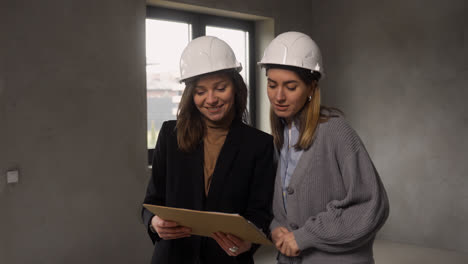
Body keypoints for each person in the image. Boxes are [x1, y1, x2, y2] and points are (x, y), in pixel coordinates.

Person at [142, 36, 276, 264]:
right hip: (173, 256)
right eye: (200, 91)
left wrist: (248, 243)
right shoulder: (169, 135)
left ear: (236, 88)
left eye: (220, 88)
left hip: (228, 259)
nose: (211, 99)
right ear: (190, 95)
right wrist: (154, 222)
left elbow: (260, 212)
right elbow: (152, 200)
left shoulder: (259, 145)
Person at [258, 31, 390, 264]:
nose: (278, 96)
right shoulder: (283, 133)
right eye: (272, 84)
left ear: (311, 88)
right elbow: (283, 203)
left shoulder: (336, 131)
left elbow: (371, 205)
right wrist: (276, 226)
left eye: (290, 87)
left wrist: (305, 236)